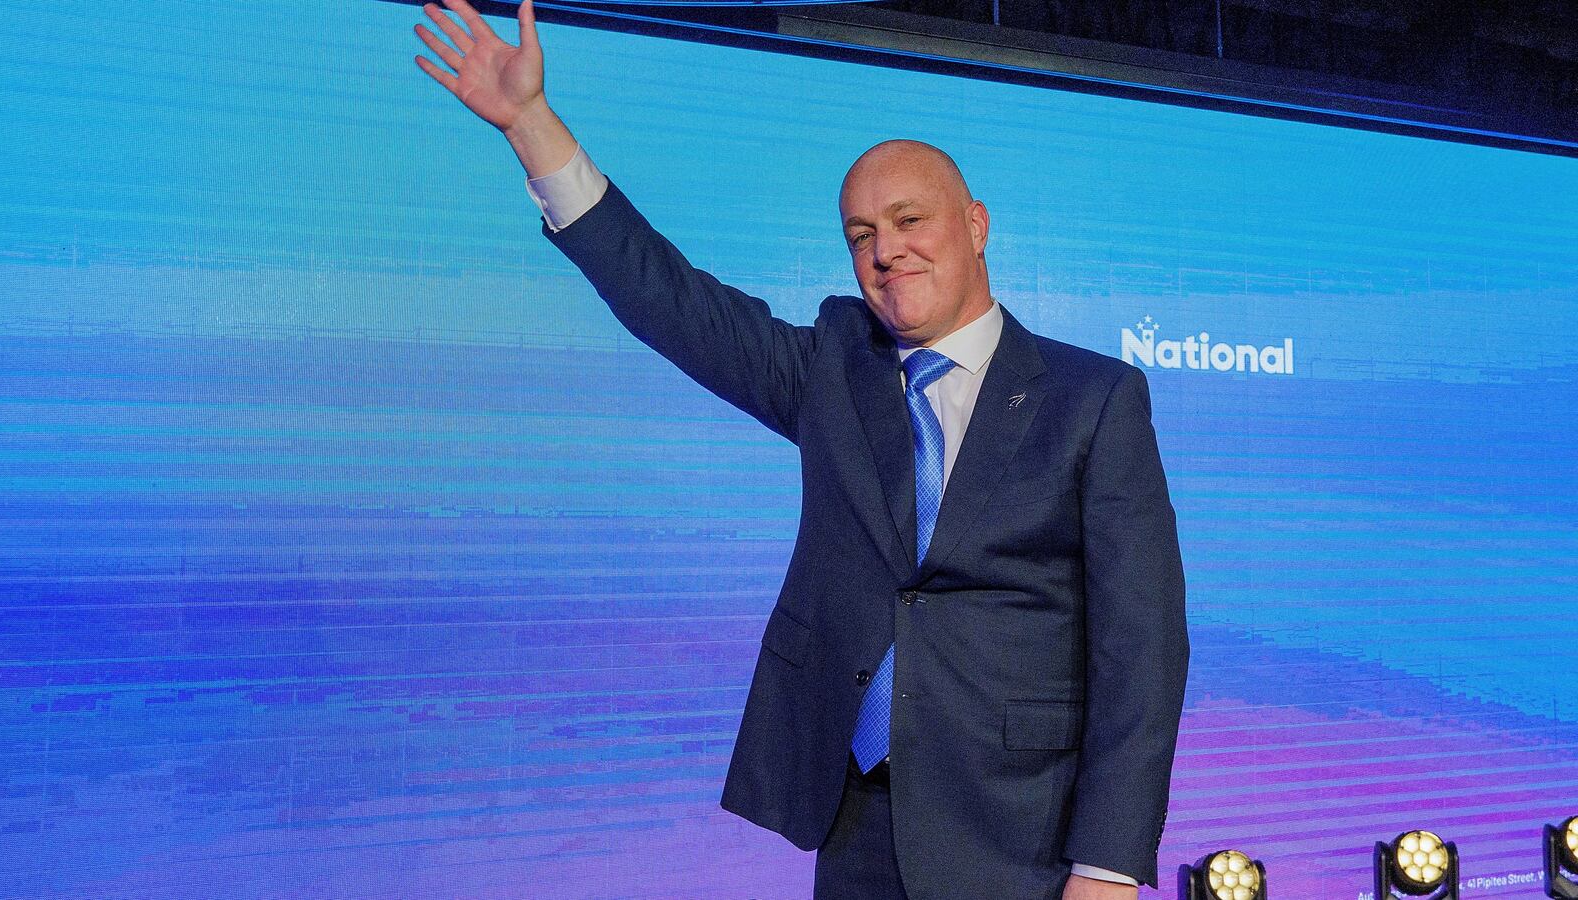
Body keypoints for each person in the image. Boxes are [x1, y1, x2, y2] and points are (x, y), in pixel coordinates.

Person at [412, 2, 1188, 897]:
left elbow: (1142, 648)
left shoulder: (1093, 398)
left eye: (909, 221)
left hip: (1023, 837)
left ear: (975, 226)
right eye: (862, 235)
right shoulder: (835, 370)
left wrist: (1108, 864)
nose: (886, 251)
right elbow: (671, 300)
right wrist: (530, 124)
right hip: (856, 824)